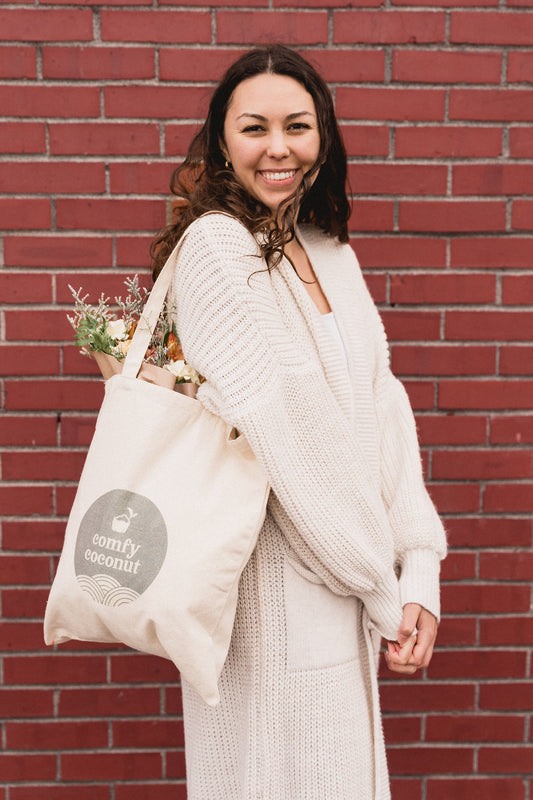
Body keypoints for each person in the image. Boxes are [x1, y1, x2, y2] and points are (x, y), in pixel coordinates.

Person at [151, 44, 447, 800]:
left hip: (345, 584)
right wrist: (384, 591)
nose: (278, 148)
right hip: (270, 603)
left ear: (324, 137)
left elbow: (383, 405)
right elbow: (288, 440)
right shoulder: (218, 249)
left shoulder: (325, 246)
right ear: (221, 139)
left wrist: (418, 564)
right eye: (254, 128)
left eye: (298, 126)